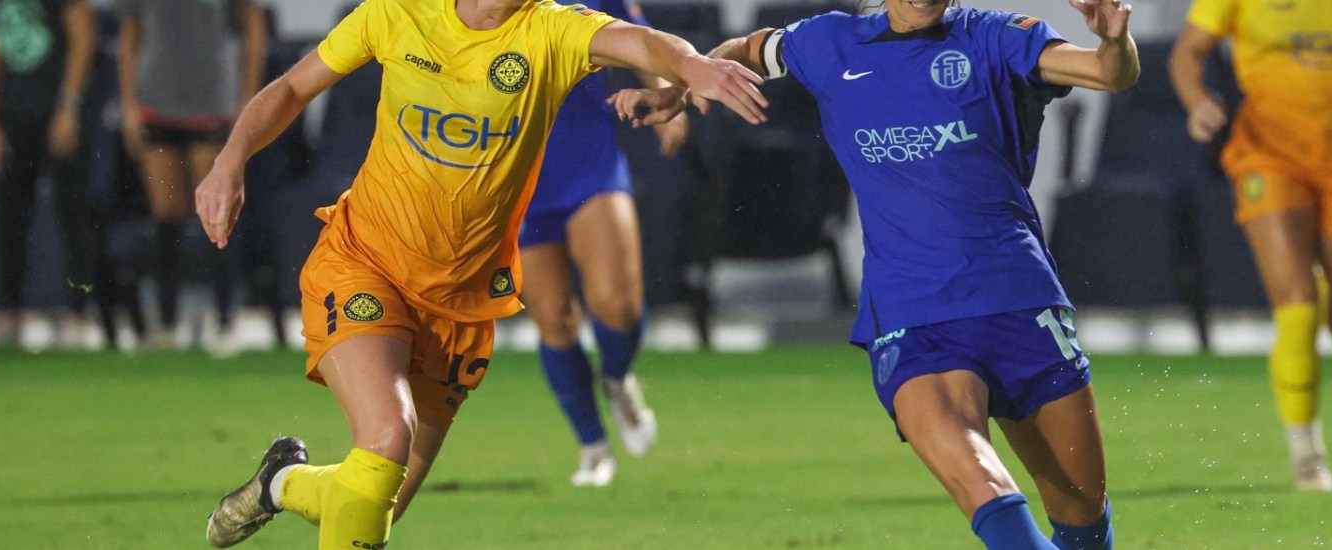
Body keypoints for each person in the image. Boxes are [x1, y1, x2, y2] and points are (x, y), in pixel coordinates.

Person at [190, 0, 768, 547]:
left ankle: (280, 482)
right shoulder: (398, 14)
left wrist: (691, 65)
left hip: (460, 304)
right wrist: (230, 160)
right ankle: (592, 443)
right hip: (366, 263)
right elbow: (293, 86)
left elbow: (640, 40)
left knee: (374, 501)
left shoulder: (551, 30)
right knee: (389, 434)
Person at [617, 0, 1138, 547]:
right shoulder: (830, 43)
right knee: (980, 481)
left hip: (1019, 300)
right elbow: (747, 50)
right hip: (914, 317)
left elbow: (1109, 73)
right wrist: (684, 85)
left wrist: (1112, 41)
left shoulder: (998, 37)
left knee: (1083, 520)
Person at [1167, 0, 1332, 491]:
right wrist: (1197, 101)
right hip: (1270, 153)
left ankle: (1319, 282)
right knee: (1296, 305)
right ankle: (1307, 455)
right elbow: (1186, 53)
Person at [520, 0, 681, 488]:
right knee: (553, 318)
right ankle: (593, 447)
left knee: (616, 302)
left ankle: (617, 379)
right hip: (512, 175)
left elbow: (638, 34)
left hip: (586, 159)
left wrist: (665, 94)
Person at [116, 0, 267, 353]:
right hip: (157, 106)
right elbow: (129, 37)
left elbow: (254, 29)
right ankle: (166, 323)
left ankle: (226, 321)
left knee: (216, 213)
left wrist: (247, 102)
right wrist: (128, 106)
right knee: (165, 214)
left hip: (212, 106)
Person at [0, 0, 99, 348]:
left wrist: (69, 106)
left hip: (58, 114)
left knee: (73, 214)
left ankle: (78, 315)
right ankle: (10, 314)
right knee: (10, 218)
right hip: (14, 116)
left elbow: (83, 39)